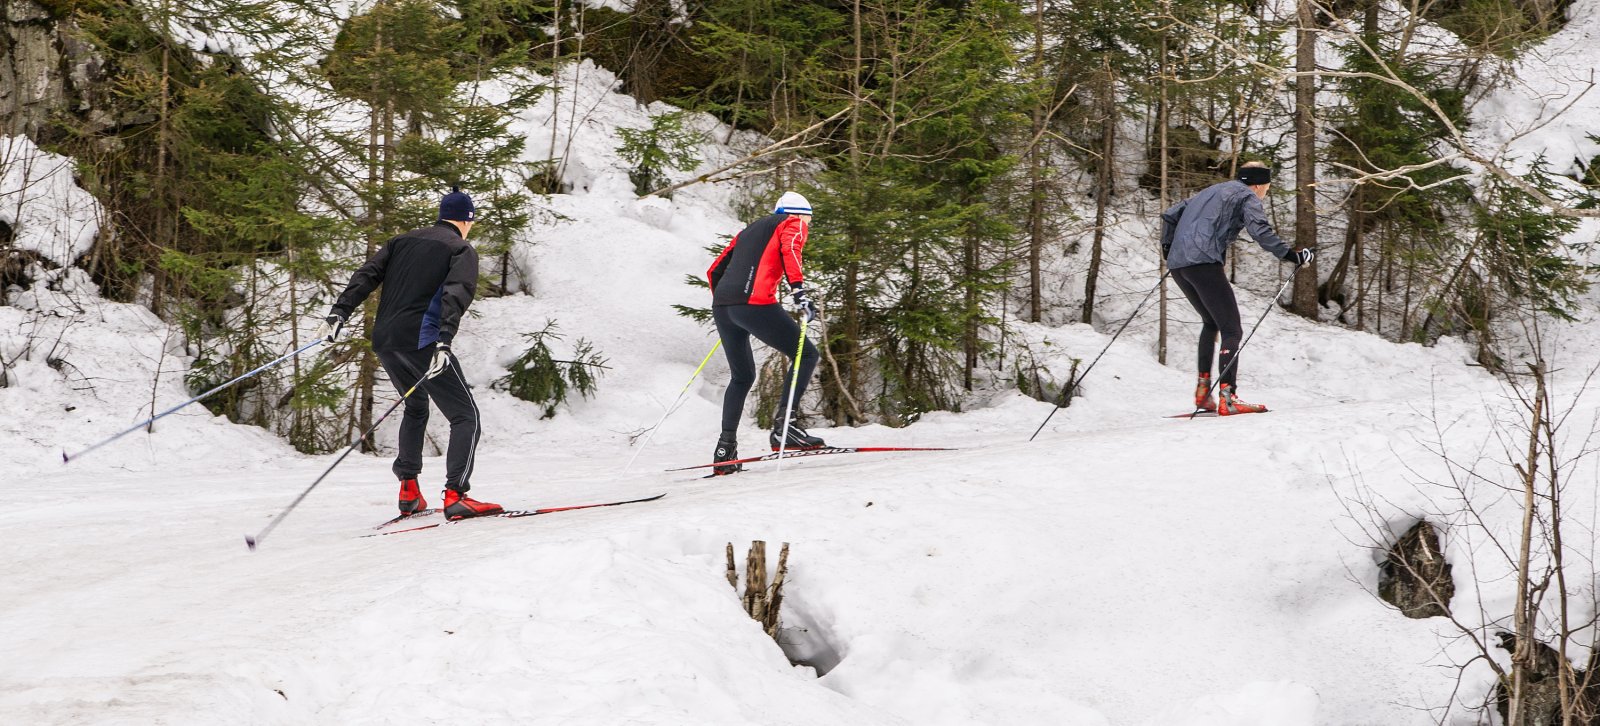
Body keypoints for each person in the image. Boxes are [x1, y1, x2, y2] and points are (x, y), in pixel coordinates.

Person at [318, 187, 503, 519]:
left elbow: (367, 275)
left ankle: (409, 491)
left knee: (416, 408)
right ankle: (456, 495)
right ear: (467, 220)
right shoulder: (461, 249)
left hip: (386, 341)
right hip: (424, 341)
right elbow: (455, 294)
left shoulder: (399, 242)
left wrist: (339, 313)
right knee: (465, 416)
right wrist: (444, 342)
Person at [1160, 162, 1313, 415]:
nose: (1266, 191)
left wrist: (1170, 249)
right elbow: (1260, 231)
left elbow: (1171, 214)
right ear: (1259, 185)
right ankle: (1228, 397)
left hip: (1179, 265)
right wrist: (1291, 256)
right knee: (1232, 328)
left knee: (1211, 322)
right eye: (1267, 187)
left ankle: (1202, 393)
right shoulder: (1247, 196)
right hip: (1204, 263)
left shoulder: (1212, 191)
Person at [705, 191, 824, 475]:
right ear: (799, 214)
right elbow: (791, 249)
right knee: (806, 355)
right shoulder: (791, 223)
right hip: (754, 305)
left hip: (723, 307)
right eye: (807, 220)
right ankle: (786, 430)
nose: (806, 226)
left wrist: (728, 303)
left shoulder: (746, 231)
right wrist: (799, 291)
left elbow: (714, 270)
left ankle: (725, 450)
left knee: (742, 376)